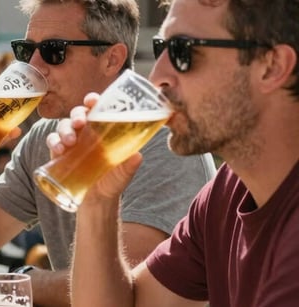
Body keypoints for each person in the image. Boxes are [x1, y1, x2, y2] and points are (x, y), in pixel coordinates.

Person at [0, 0, 217, 306]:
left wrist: (24, 282)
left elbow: (131, 287)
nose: (34, 66)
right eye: (26, 50)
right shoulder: (45, 137)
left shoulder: (162, 144)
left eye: (54, 51)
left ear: (112, 59)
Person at [62, 0, 299, 306]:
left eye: (182, 52)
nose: (157, 77)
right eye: (162, 48)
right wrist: (97, 201)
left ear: (272, 67)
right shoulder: (227, 191)